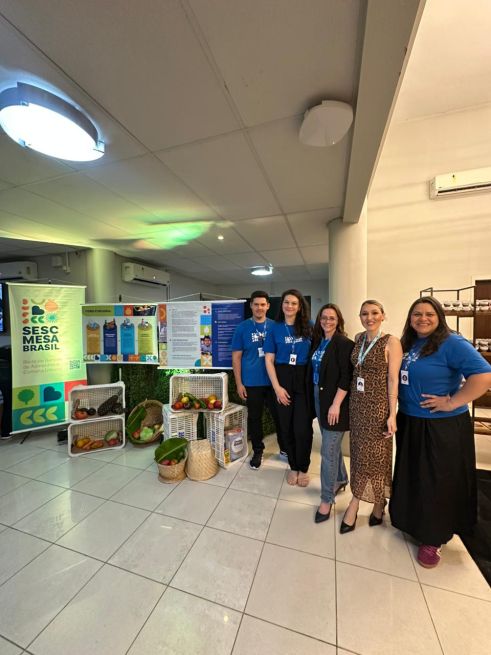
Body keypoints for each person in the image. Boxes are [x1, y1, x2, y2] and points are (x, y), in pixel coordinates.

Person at [390, 296, 491, 568]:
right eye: (417, 314)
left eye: (429, 314)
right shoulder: (410, 343)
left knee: (436, 481)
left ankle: (433, 538)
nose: (422, 319)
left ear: (439, 317)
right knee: (415, 476)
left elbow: (484, 375)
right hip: (411, 420)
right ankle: (413, 521)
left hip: (440, 425)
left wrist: (452, 401)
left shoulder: (452, 342)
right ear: (410, 318)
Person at [340, 299, 403, 533]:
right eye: (365, 313)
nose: (370, 317)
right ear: (360, 317)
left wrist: (392, 414)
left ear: (383, 315)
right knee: (358, 456)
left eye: (375, 313)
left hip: (378, 409)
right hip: (357, 406)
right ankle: (378, 502)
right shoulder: (358, 339)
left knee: (376, 457)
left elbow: (393, 380)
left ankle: (355, 503)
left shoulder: (391, 342)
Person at [307, 304, 354, 522]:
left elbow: (346, 377)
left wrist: (335, 404)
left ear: (338, 320)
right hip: (320, 397)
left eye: (332, 318)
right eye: (324, 317)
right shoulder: (319, 341)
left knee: (327, 452)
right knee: (331, 445)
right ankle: (341, 479)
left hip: (336, 403)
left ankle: (326, 499)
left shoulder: (344, 343)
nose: (327, 321)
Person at [232, 290, 286, 469]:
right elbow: (236, 358)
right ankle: (258, 450)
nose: (259, 308)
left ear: (268, 306)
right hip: (252, 382)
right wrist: (239, 383)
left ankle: (285, 448)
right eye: (256, 304)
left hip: (274, 383)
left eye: (263, 304)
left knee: (280, 416)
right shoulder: (242, 328)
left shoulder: (276, 326)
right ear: (251, 306)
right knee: (255, 418)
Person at [264, 289, 313, 486]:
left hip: (303, 379)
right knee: (286, 427)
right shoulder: (274, 328)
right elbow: (269, 360)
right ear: (282, 304)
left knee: (303, 428)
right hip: (282, 378)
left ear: (300, 306)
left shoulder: (309, 326)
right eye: (286, 302)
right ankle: (293, 466)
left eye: (294, 303)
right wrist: (277, 388)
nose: (290, 306)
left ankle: (304, 467)